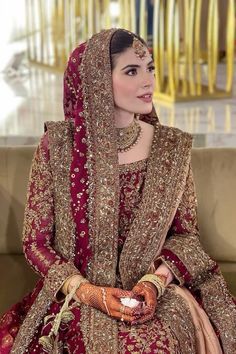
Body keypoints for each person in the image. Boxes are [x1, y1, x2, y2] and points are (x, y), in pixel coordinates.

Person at [0, 28, 235, 354]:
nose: (148, 80)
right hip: (77, 295)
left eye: (150, 68)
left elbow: (184, 236)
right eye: (132, 70)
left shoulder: (169, 148)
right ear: (98, 80)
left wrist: (154, 283)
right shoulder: (58, 147)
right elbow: (35, 242)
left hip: (155, 294)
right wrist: (90, 293)